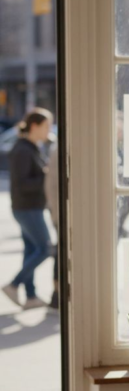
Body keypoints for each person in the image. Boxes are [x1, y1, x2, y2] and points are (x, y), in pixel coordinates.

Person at [2, 108, 53, 310]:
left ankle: (31, 297)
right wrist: (46, 175)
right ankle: (14, 284)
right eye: (46, 126)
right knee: (45, 249)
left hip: (30, 207)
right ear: (34, 126)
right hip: (27, 208)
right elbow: (22, 183)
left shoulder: (31, 147)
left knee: (31, 249)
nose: (49, 130)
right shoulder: (23, 149)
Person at [44, 142, 60, 310]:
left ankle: (57, 295)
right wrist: (56, 213)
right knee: (60, 252)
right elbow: (52, 184)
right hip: (61, 213)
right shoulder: (58, 148)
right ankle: (56, 295)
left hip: (58, 211)